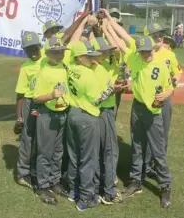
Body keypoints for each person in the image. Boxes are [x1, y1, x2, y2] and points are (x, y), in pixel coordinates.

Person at [121, 36, 173, 208]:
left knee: (157, 150)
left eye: (146, 51)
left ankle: (165, 186)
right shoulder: (135, 59)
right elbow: (122, 44)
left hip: (153, 112)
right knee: (136, 145)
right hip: (137, 108)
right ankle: (136, 181)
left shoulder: (160, 65)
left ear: (152, 49)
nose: (144, 54)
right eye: (141, 52)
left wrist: (166, 94)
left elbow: (170, 87)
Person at [65, 40, 102, 211]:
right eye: (88, 56)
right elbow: (97, 99)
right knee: (88, 158)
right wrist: (110, 90)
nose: (92, 59)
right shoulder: (88, 75)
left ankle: (73, 191)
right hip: (87, 117)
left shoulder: (70, 67)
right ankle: (86, 198)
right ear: (79, 57)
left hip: (72, 114)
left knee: (74, 156)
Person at [33, 36, 70, 205]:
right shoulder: (44, 71)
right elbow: (36, 98)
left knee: (58, 151)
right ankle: (42, 185)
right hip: (47, 114)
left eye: (62, 51)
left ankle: (54, 181)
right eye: (56, 52)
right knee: (45, 152)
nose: (60, 54)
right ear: (47, 53)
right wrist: (51, 95)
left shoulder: (64, 67)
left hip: (62, 113)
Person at [143, 23, 182, 180]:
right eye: (155, 35)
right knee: (144, 136)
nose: (159, 37)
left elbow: (177, 72)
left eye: (160, 34)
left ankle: (157, 166)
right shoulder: (143, 53)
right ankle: (144, 168)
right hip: (145, 103)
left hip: (164, 102)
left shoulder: (169, 54)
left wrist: (172, 86)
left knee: (162, 135)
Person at [91, 37, 124, 205]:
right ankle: (109, 191)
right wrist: (115, 89)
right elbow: (99, 97)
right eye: (104, 51)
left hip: (93, 113)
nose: (107, 53)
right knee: (110, 151)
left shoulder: (92, 68)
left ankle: (96, 188)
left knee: (96, 150)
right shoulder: (98, 70)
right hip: (104, 111)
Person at [15, 31, 44, 189]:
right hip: (30, 103)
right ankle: (23, 173)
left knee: (42, 138)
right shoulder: (26, 67)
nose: (32, 52)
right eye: (28, 49)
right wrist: (19, 117)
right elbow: (20, 94)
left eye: (34, 47)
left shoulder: (47, 58)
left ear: (40, 46)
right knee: (28, 137)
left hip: (46, 103)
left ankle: (37, 170)